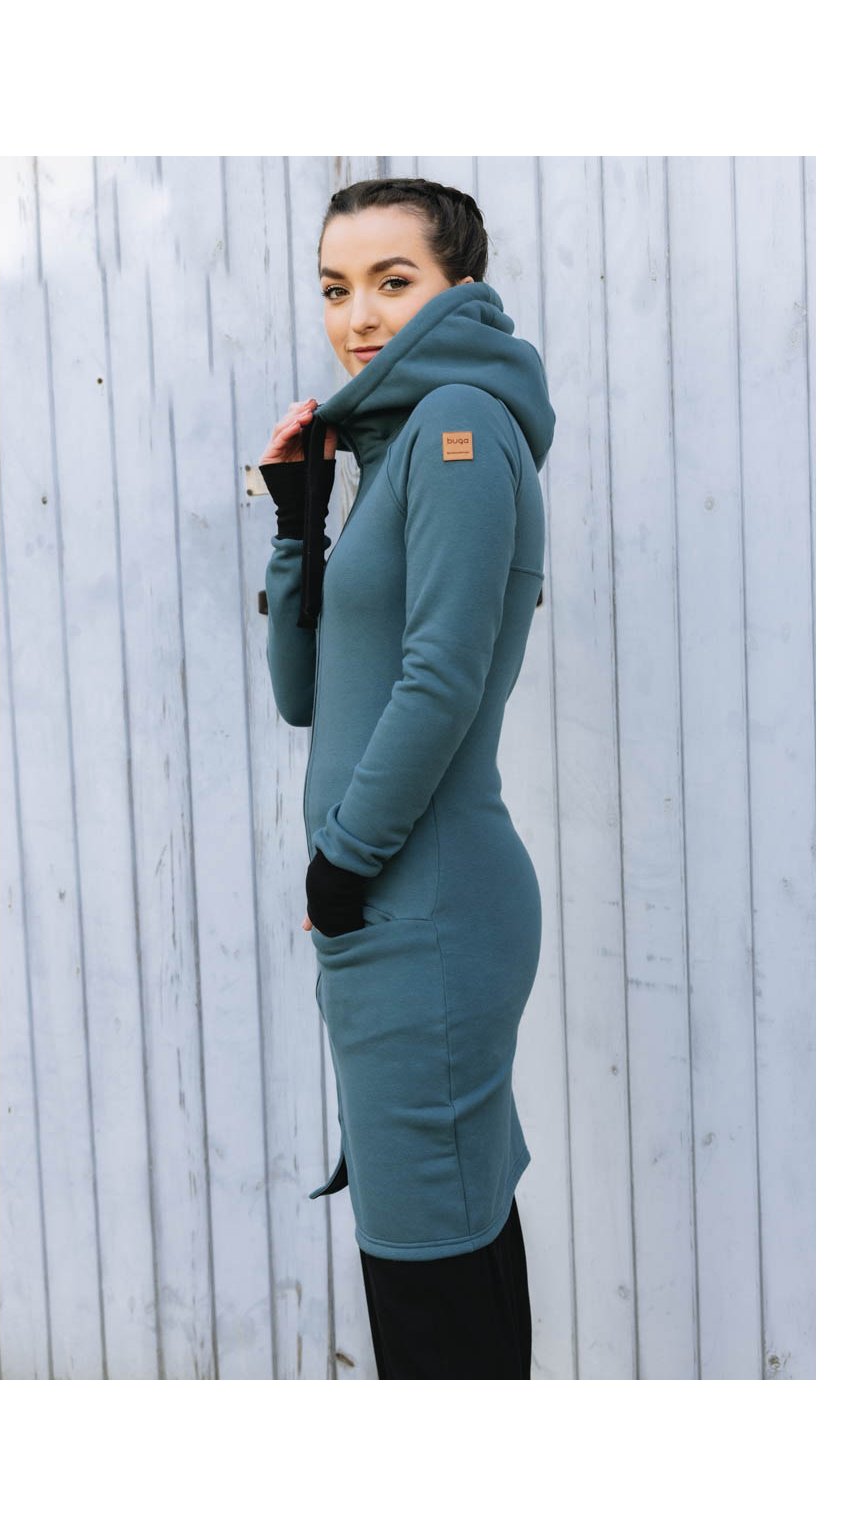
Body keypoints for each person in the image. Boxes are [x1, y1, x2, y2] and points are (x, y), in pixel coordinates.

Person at [258, 178, 555, 1379]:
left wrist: (342, 862)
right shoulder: (390, 451)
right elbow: (308, 694)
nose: (358, 317)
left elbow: (441, 680)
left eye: (393, 282)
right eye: (336, 288)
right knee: (444, 1233)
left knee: (427, 1265)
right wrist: (299, 521)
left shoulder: (458, 427)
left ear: (459, 291)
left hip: (422, 898)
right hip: (393, 900)